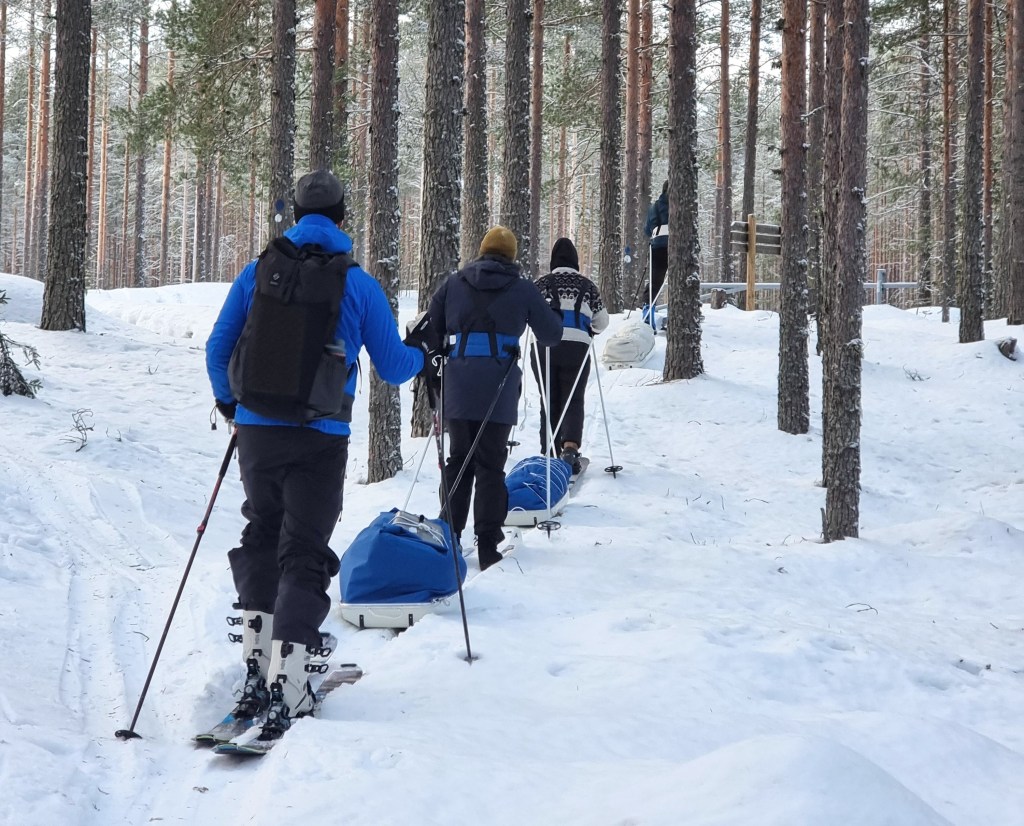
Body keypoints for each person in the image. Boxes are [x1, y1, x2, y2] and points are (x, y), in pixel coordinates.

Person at [205, 169, 429, 740]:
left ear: (296, 213)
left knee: (261, 532)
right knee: (303, 550)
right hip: (321, 434)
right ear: (343, 217)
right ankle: (291, 679)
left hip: (256, 428)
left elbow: (218, 347)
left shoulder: (259, 272)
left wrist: (233, 406)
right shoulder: (357, 283)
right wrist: (423, 354)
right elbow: (396, 367)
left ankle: (257, 669)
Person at [426, 226, 562, 570]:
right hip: (498, 387)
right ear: (512, 256)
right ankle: (487, 544)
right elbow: (551, 335)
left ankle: (450, 537)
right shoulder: (522, 289)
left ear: (482, 251)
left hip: (458, 384)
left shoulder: (454, 283)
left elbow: (432, 328)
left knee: (459, 460)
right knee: (490, 464)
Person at [531, 237, 609, 472]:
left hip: (546, 347)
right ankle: (570, 448)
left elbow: (529, 313)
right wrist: (590, 330)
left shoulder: (542, 284)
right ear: (575, 261)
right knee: (574, 398)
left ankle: (549, 449)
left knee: (549, 398)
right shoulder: (587, 286)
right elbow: (602, 321)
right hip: (577, 348)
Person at [643, 180, 670, 308]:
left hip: (657, 248)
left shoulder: (654, 207)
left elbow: (647, 230)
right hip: (675, 248)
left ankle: (647, 308)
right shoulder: (679, 205)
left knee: (655, 281)